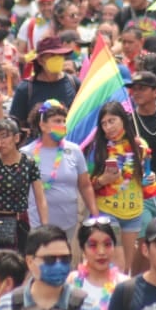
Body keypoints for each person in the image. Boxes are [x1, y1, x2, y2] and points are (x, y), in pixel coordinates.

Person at [91, 100, 156, 270]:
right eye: (104, 123)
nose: (108, 127)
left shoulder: (140, 146)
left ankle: (122, 296)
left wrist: (150, 177)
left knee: (126, 267)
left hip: (133, 212)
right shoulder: (98, 148)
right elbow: (87, 184)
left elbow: (146, 175)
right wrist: (103, 180)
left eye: (112, 121)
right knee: (117, 263)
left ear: (123, 119)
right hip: (108, 211)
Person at [23, 100, 97, 240]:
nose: (62, 125)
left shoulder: (74, 151)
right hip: (37, 225)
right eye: (57, 121)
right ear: (43, 125)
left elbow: (85, 185)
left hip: (69, 224)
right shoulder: (27, 154)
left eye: (64, 121)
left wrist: (95, 215)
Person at [0, 117, 47, 253]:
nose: (0, 142)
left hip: (19, 221)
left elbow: (40, 196)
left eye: (4, 136)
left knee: (19, 262)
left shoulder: (28, 163)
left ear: (16, 138)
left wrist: (44, 224)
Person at [9, 36, 79, 125]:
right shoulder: (25, 88)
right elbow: (16, 122)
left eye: (60, 55)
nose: (58, 59)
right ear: (40, 60)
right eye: (52, 56)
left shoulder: (74, 83)